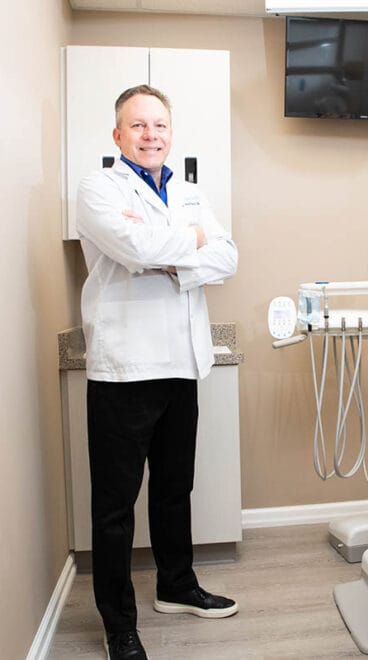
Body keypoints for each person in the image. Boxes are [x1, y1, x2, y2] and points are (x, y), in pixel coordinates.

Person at [77, 84, 239, 660]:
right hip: (124, 370)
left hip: (182, 364)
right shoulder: (99, 188)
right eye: (138, 125)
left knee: (174, 489)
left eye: (160, 125)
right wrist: (191, 243)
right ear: (118, 135)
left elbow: (228, 257)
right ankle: (118, 623)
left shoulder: (191, 192)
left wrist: (170, 256)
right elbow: (132, 248)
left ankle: (176, 585)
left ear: (171, 133)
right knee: (115, 508)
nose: (151, 135)